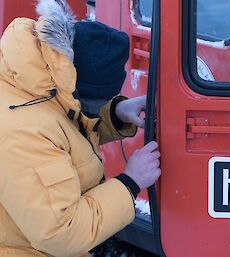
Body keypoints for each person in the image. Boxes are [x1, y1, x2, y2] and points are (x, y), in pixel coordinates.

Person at [0, 0, 161, 256]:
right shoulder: (26, 132)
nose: (98, 108)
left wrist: (116, 114)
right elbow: (61, 233)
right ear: (73, 86)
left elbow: (64, 123)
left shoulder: (36, 80)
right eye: (96, 103)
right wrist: (130, 182)